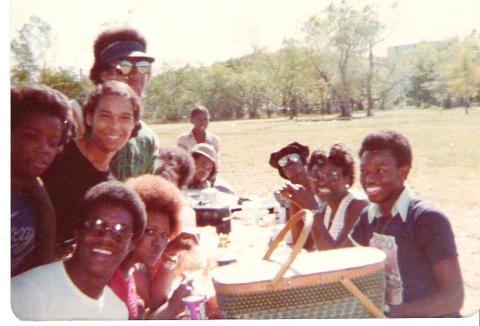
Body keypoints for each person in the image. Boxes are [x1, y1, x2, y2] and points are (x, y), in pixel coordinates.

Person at [349, 130, 464, 317]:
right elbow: (345, 268)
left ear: (403, 172)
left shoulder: (427, 219)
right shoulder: (368, 217)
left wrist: (389, 314)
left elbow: (453, 298)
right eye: (364, 171)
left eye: (380, 171)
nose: (369, 179)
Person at [11, 180, 147, 320]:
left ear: (131, 246)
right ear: (78, 232)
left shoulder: (117, 312)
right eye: (97, 225)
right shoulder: (28, 293)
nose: (106, 238)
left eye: (121, 231)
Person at [43, 80, 142, 247]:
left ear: (133, 125)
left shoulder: (109, 187)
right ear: (89, 117)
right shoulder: (56, 154)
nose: (115, 126)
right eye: (105, 115)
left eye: (125, 118)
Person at [108, 175, 198, 319]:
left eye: (164, 235)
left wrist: (170, 253)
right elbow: (156, 303)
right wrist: (171, 308)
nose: (159, 243)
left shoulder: (129, 268)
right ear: (131, 228)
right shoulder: (110, 274)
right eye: (150, 232)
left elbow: (155, 302)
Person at [11, 85, 72, 276]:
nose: (44, 149)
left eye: (53, 143)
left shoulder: (32, 195)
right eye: (32, 137)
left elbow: (39, 274)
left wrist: (44, 205)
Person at [89, 27, 160, 180]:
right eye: (125, 67)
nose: (136, 75)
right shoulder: (78, 121)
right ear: (105, 75)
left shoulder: (147, 139)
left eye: (143, 66)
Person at [278, 143, 368, 249]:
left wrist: (312, 209)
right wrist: (294, 202)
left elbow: (336, 257)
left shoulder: (357, 207)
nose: (322, 182)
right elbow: (303, 246)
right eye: (316, 176)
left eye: (331, 175)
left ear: (347, 178)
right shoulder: (327, 209)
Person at [269, 141, 319, 248]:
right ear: (283, 172)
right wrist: (292, 201)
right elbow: (300, 242)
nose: (289, 163)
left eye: (293, 157)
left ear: (303, 162)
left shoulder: (321, 188)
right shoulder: (285, 195)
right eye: (282, 161)